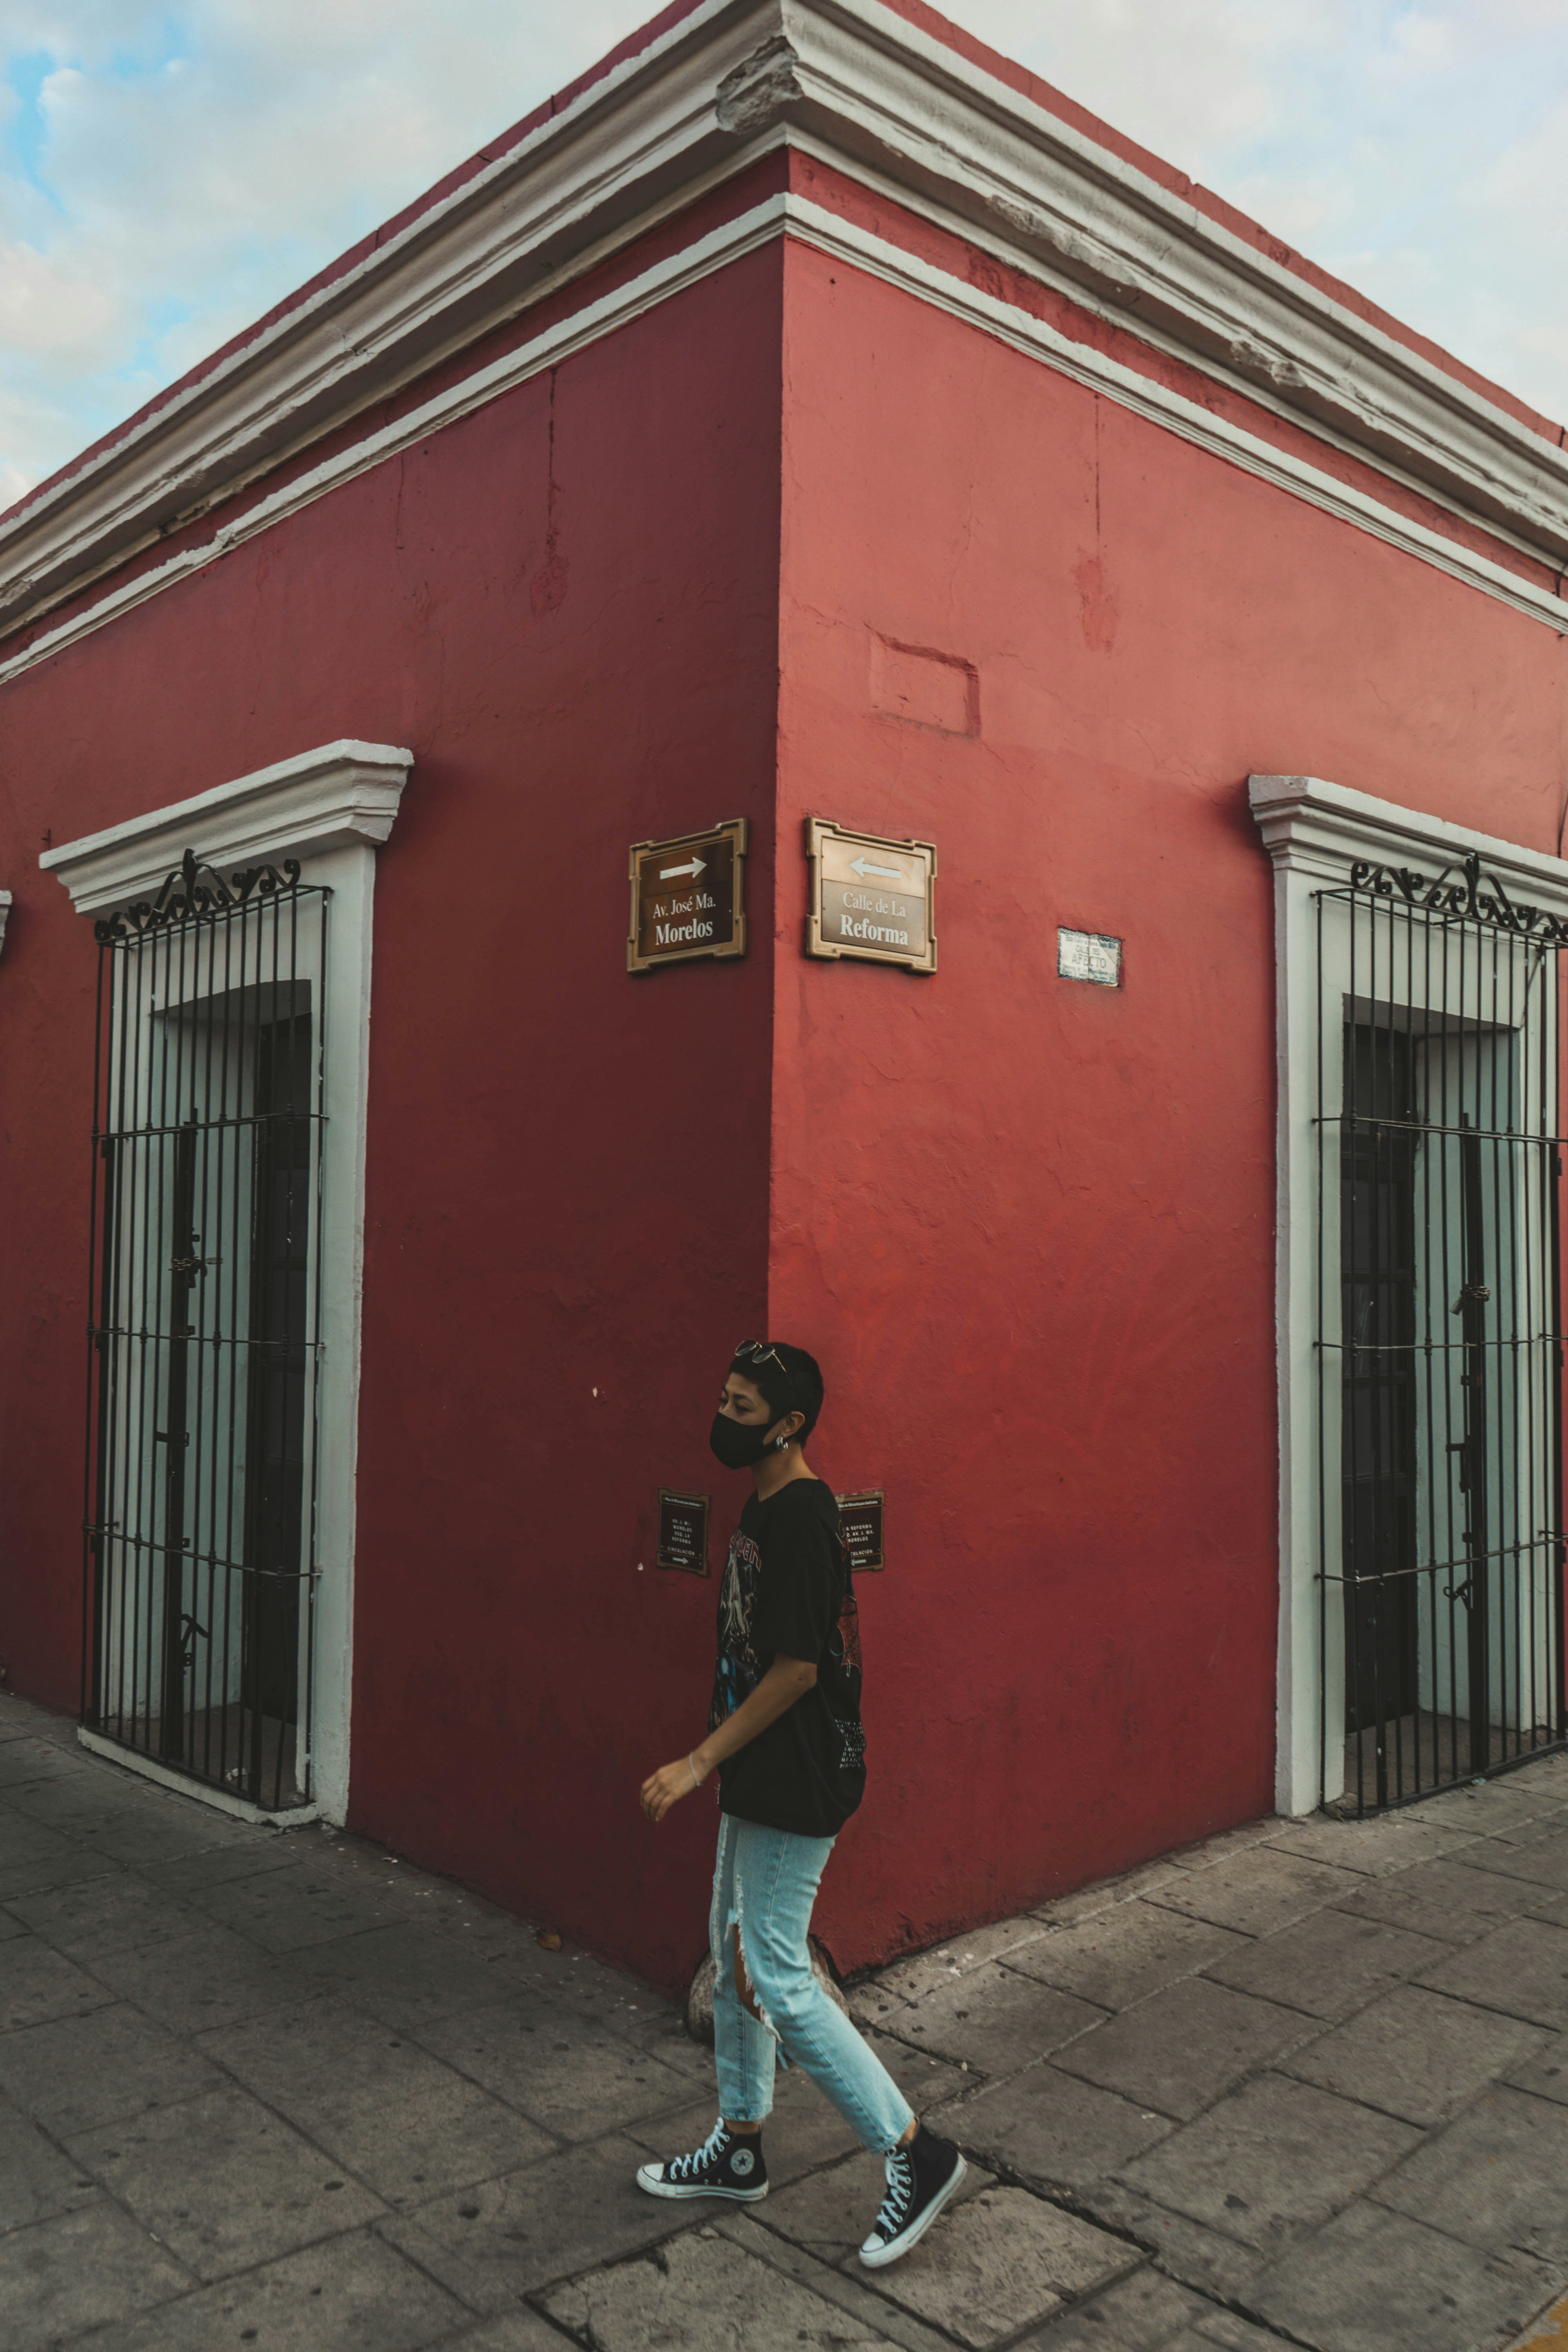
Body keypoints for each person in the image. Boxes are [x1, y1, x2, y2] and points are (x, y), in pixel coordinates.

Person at [636, 1339, 965, 2269]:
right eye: (723, 1394)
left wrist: (697, 1762)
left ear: (786, 1425)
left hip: (798, 1776)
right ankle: (740, 2146)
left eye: (741, 1407)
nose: (722, 1414)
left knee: (776, 1970)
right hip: (761, 1773)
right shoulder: (765, 1501)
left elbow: (796, 1670)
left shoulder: (804, 1522)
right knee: (731, 1939)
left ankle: (916, 2153)